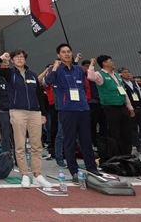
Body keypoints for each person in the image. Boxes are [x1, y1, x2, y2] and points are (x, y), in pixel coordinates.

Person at [0, 50, 51, 188]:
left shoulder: (32, 75)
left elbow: (38, 94)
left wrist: (42, 113)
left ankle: (37, 174)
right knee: (20, 145)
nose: (19, 59)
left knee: (37, 145)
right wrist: (1, 57)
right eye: (16, 57)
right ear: (12, 60)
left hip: (34, 112)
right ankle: (24, 175)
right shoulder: (9, 73)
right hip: (17, 111)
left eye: (22, 57)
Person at [43, 44, 99, 181]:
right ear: (58, 55)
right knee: (69, 140)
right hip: (67, 109)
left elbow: (84, 87)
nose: (67, 54)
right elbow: (47, 82)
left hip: (83, 108)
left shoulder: (79, 69)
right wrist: (54, 68)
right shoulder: (55, 69)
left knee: (86, 139)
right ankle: (74, 170)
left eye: (68, 51)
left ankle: (92, 168)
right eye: (63, 52)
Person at [87, 55, 135, 155]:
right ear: (104, 63)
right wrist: (92, 64)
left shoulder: (117, 75)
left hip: (122, 106)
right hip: (111, 107)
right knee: (115, 132)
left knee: (126, 132)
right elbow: (90, 77)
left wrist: (130, 107)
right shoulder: (100, 74)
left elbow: (124, 92)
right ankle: (117, 154)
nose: (113, 62)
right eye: (110, 61)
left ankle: (127, 153)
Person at [119, 67, 141, 153]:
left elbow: (140, 93)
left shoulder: (134, 83)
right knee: (133, 127)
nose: (127, 74)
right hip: (131, 107)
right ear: (120, 74)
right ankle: (137, 145)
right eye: (124, 72)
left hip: (140, 106)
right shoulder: (121, 83)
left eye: (128, 72)